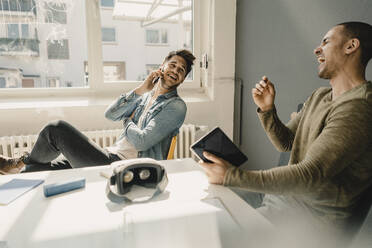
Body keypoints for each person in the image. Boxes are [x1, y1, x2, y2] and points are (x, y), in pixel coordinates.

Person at [200, 22, 372, 243]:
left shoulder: (359, 107)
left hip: (309, 225)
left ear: (351, 46)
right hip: (281, 202)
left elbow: (310, 173)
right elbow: (287, 142)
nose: (317, 49)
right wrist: (267, 110)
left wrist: (231, 176)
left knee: (211, 235)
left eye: (326, 41)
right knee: (204, 211)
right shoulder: (320, 96)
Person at [0, 49, 195, 174]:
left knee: (55, 129)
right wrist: (141, 89)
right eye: (173, 65)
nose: (176, 71)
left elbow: (141, 141)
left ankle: (18, 163)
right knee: (41, 169)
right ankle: (20, 165)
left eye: (182, 70)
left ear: (183, 79)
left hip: (125, 167)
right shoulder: (144, 96)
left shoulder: (176, 107)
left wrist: (127, 121)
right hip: (109, 155)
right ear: (162, 66)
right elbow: (110, 114)